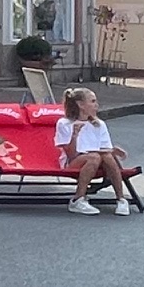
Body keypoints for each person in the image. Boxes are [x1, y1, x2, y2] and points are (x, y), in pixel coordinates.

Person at [55, 88, 132, 216]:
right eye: (92, 101)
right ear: (80, 104)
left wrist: (113, 151)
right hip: (74, 161)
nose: (96, 105)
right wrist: (74, 135)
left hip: (99, 160)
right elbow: (71, 155)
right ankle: (77, 199)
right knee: (94, 157)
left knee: (106, 156)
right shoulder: (65, 123)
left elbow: (104, 149)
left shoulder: (99, 124)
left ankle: (121, 199)